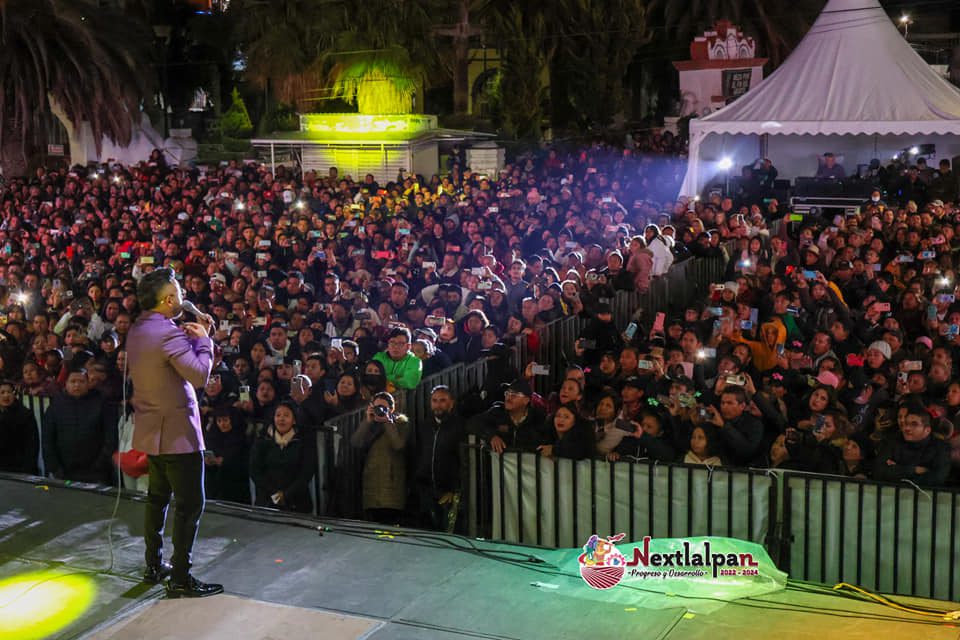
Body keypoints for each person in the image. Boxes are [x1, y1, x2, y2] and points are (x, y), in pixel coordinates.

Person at [126, 268, 222, 597]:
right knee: (190, 505)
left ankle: (154, 563)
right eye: (179, 289)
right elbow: (198, 377)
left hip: (152, 430)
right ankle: (181, 577)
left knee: (157, 498)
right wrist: (204, 341)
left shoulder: (139, 328)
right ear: (169, 299)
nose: (182, 294)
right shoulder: (169, 334)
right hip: (179, 434)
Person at [42, 368, 117, 483]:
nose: (77, 385)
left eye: (81, 381)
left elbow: (110, 437)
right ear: (66, 384)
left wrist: (101, 464)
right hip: (64, 471)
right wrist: (54, 467)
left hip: (97, 472)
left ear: (88, 384)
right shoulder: (56, 406)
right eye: (73, 381)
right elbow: (47, 438)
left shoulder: (102, 404)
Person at [350, 391, 410, 523]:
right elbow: (355, 443)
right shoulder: (369, 424)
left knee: (389, 532)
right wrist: (367, 422)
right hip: (370, 486)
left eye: (384, 408)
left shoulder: (401, 424)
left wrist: (387, 422)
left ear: (392, 408)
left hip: (391, 487)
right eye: (377, 407)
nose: (380, 410)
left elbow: (398, 445)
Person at [249, 401, 317, 512]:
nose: (281, 419)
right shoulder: (263, 440)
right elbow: (255, 470)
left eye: (286, 415)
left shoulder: (304, 442)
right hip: (267, 500)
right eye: (278, 415)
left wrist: (286, 495)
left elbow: (306, 473)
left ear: (294, 420)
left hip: (297, 501)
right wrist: (274, 494)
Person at [413, 386, 464, 531]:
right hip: (425, 490)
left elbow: (463, 461)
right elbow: (418, 454)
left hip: (449, 492)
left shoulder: (459, 426)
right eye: (434, 400)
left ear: (451, 403)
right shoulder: (424, 425)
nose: (438, 404)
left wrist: (455, 488)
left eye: (442, 400)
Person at [0, 380, 39, 474]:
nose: (6, 395)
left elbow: (32, 445)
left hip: (20, 468)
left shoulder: (25, 414)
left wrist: (28, 469)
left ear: (14, 394)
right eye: (2, 392)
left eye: (9, 392)